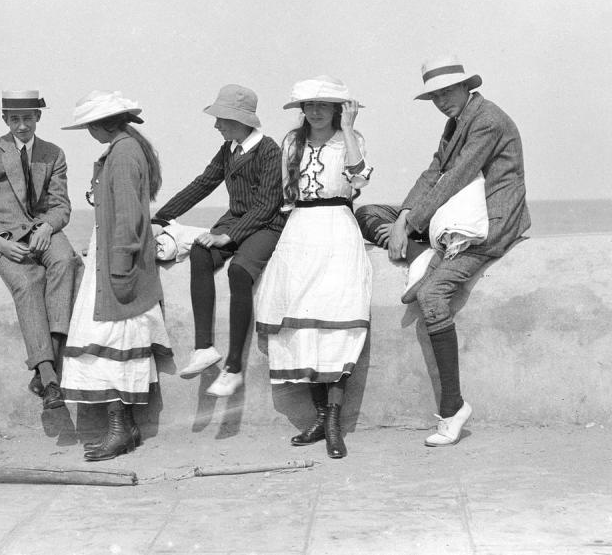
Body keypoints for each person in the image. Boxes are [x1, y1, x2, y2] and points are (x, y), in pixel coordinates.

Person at [355, 55, 530, 447]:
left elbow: (456, 178)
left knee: (432, 295)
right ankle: (416, 249)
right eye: (434, 95)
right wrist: (402, 218)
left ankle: (452, 408)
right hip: (452, 219)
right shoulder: (456, 121)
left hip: (485, 226)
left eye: (446, 91)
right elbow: (434, 171)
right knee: (368, 212)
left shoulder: (486, 120)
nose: (441, 101)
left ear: (466, 85)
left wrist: (408, 224)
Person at [254, 76, 373, 459]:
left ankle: (335, 422)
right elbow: (286, 192)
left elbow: (357, 179)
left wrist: (351, 130)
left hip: (337, 229)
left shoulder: (350, 139)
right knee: (302, 325)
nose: (316, 112)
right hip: (300, 232)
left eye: (324, 105)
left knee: (336, 324)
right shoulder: (292, 142)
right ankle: (320, 418)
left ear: (339, 109)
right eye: (309, 105)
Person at [152, 84, 285, 397]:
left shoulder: (269, 151)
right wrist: (161, 217)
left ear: (240, 120)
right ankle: (204, 348)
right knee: (200, 249)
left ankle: (234, 367)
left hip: (266, 225)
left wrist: (230, 235)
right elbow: (203, 184)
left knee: (238, 272)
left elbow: (266, 205)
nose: (216, 125)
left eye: (221, 119)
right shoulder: (229, 149)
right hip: (237, 220)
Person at [59, 90, 171, 461]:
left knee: (109, 344)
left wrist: (121, 264)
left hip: (119, 263)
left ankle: (121, 429)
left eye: (90, 125)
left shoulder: (123, 154)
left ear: (100, 125)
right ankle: (125, 426)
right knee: (110, 343)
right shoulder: (125, 149)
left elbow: (129, 216)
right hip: (109, 257)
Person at [0, 90, 82, 411]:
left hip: (42, 230)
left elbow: (61, 205)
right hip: (4, 238)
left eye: (27, 118)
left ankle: (48, 365)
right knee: (29, 283)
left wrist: (46, 227)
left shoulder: (53, 154)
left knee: (65, 260)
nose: (21, 126)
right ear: (5, 119)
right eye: (14, 119)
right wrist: (0, 243)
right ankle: (49, 378)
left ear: (38, 118)